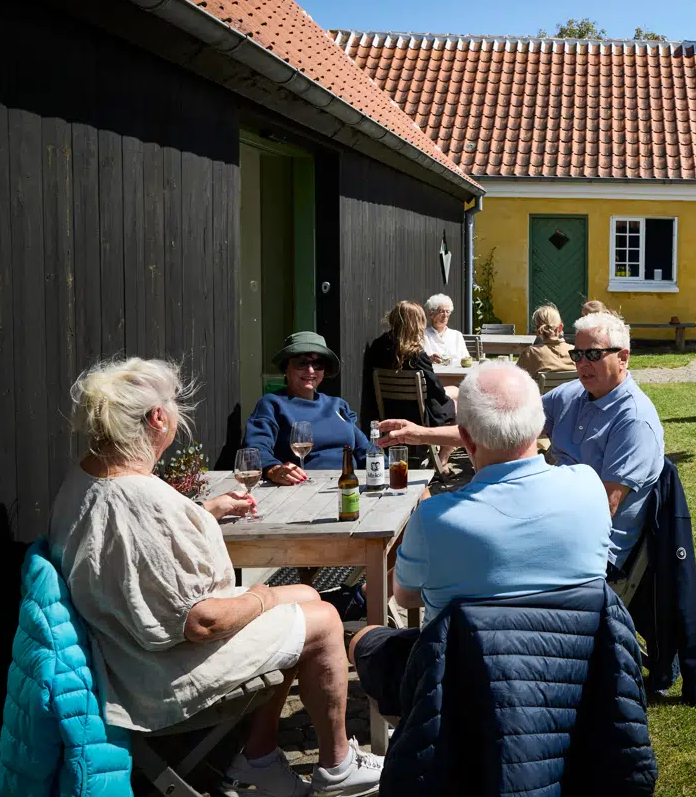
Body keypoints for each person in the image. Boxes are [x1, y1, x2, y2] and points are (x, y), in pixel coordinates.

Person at [49, 358, 383, 796]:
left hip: (122, 646)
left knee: (303, 592)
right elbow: (200, 621)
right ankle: (336, 764)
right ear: (157, 418)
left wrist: (205, 512)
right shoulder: (140, 498)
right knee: (322, 622)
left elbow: (142, 546)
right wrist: (260, 599)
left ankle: (259, 759)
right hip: (156, 675)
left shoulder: (88, 477)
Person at [349, 361, 613, 703]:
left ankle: (400, 739)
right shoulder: (590, 486)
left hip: (466, 690)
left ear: (467, 443)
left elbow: (405, 597)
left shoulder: (435, 518)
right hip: (577, 677)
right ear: (539, 427)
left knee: (365, 640)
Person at [542, 312, 665, 589]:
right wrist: (428, 433)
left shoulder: (634, 419)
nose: (583, 364)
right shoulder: (571, 393)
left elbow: (603, 509)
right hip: (557, 525)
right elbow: (515, 425)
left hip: (592, 553)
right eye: (578, 355)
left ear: (623, 357)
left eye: (594, 355)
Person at [244, 332, 377, 485]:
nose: (310, 370)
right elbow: (255, 448)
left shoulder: (337, 405)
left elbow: (365, 449)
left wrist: (387, 469)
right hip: (305, 488)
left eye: (318, 364)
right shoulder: (273, 404)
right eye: (302, 363)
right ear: (286, 368)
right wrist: (274, 469)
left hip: (350, 484)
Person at [360, 301, 458, 429]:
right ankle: (444, 449)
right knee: (458, 403)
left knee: (454, 392)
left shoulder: (378, 345)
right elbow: (436, 391)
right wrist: (448, 401)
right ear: (416, 324)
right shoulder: (416, 354)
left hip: (387, 410)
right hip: (418, 416)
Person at [517, 302, 576, 378]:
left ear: (538, 330)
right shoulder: (574, 352)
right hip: (569, 390)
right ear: (560, 327)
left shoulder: (530, 353)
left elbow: (516, 380)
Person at [424, 294, 469, 364]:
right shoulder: (424, 335)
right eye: (441, 311)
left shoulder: (457, 335)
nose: (445, 315)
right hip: (433, 373)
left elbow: (466, 358)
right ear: (431, 314)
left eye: (447, 311)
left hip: (456, 373)